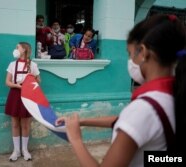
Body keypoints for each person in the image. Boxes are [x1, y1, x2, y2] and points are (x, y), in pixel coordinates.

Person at [55, 14, 186, 166]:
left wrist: (76, 140)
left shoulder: (144, 109)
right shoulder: (173, 92)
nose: (130, 61)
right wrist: (82, 121)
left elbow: (136, 118)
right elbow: (128, 122)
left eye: (130, 54)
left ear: (143, 52)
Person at [5, 42, 40, 161]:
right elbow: (7, 82)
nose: (15, 49)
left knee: (25, 124)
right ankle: (16, 151)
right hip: (15, 94)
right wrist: (17, 85)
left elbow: (38, 80)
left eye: (17, 47)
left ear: (24, 50)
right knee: (15, 124)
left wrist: (30, 82)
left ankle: (25, 150)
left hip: (28, 96)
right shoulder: (12, 64)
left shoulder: (33, 65)